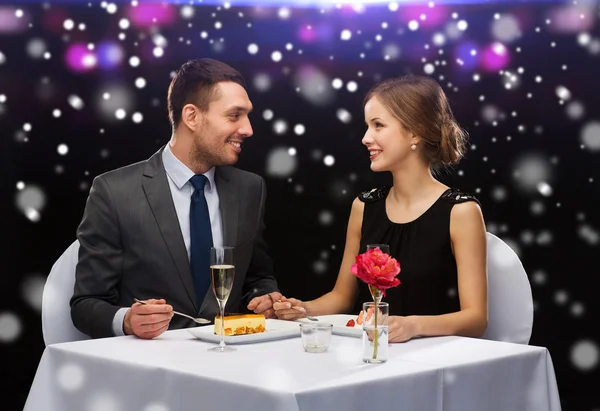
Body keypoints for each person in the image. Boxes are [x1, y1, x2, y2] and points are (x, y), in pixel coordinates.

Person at [71, 58, 282, 339]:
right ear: (192, 116)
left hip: (232, 361)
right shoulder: (114, 191)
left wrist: (266, 298)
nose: (248, 129)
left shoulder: (250, 189)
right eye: (235, 116)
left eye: (247, 116)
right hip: (151, 369)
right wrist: (126, 320)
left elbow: (258, 277)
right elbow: (85, 304)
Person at [274, 75, 488, 343]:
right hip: (370, 354)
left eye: (378, 125)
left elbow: (476, 319)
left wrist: (412, 326)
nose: (366, 138)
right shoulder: (364, 206)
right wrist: (302, 309)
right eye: (367, 126)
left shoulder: (461, 212)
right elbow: (341, 297)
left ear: (416, 132)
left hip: (435, 361)